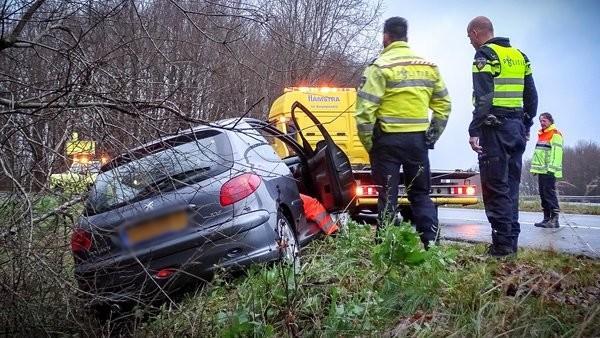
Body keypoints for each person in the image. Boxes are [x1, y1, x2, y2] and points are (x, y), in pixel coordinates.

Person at [355, 17, 451, 248]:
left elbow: (365, 112)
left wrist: (370, 143)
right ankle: (432, 246)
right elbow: (443, 105)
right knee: (420, 194)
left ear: (386, 37)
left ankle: (385, 249)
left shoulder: (379, 66)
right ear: (406, 36)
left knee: (387, 196)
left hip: (386, 143)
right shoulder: (428, 67)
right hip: (417, 142)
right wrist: (432, 135)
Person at [466, 16, 538, 256]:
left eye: (469, 38)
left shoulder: (485, 55)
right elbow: (532, 96)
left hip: (494, 129)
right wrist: (526, 123)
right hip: (516, 128)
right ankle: (511, 243)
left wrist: (474, 129)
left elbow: (484, 97)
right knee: (511, 187)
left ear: (476, 32)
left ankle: (502, 247)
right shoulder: (520, 56)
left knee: (495, 187)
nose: (470, 43)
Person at [530, 112, 563, 228]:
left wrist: (552, 168)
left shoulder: (555, 134)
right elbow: (539, 154)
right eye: (540, 121)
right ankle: (546, 219)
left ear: (550, 121)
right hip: (541, 171)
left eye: (544, 121)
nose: (542, 123)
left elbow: (557, 153)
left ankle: (554, 220)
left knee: (549, 195)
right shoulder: (542, 134)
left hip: (549, 171)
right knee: (543, 195)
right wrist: (535, 168)